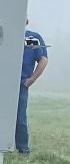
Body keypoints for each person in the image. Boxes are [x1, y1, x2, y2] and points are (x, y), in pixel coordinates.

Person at [15, 24, 49, 155]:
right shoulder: (3, 35)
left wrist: (32, 79)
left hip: (20, 84)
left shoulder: (31, 38)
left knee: (20, 118)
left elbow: (43, 60)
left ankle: (23, 150)